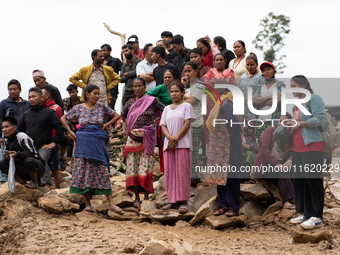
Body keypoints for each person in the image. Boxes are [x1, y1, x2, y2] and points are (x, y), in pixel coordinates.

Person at [60, 84, 124, 214]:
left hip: (97, 142)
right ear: (87, 94)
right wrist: (71, 132)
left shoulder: (102, 107)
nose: (97, 96)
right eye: (95, 93)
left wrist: (106, 124)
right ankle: (88, 205)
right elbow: (63, 118)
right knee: (85, 171)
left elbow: (117, 115)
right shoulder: (78, 108)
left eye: (98, 93)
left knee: (102, 170)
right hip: (83, 143)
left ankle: (111, 204)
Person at [287, 75, 325, 229]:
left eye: (294, 86)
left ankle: (317, 217)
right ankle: (306, 213)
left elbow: (319, 120)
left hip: (312, 147)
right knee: (300, 181)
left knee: (313, 181)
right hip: (297, 148)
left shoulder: (314, 98)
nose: (292, 90)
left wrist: (298, 123)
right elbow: (297, 125)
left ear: (303, 86)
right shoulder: (295, 105)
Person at [121, 78, 165, 210]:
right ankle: (136, 198)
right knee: (133, 168)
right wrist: (125, 128)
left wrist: (156, 120)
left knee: (145, 167)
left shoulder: (152, 100)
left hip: (147, 138)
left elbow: (165, 110)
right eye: (135, 86)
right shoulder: (129, 102)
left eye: (140, 86)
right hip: (132, 139)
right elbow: (123, 116)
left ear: (145, 87)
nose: (137, 88)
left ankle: (146, 197)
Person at [205, 85, 245, 216]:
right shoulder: (227, 103)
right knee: (229, 176)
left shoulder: (223, 102)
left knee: (222, 174)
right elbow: (235, 124)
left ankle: (226, 205)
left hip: (220, 145)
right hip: (227, 145)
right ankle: (232, 206)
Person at [160, 82, 195, 213]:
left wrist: (176, 138)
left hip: (183, 144)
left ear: (182, 92)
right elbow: (163, 125)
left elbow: (187, 124)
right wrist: (169, 138)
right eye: (172, 91)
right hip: (168, 146)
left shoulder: (187, 106)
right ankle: (172, 201)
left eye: (176, 91)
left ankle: (183, 201)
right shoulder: (166, 108)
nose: (173, 93)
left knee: (183, 173)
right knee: (170, 173)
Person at [19, 87, 64, 189]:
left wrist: (54, 143)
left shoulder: (49, 112)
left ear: (41, 97)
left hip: (44, 146)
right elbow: (19, 130)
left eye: (34, 96)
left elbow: (60, 128)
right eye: (29, 97)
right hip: (29, 148)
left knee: (41, 159)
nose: (31, 99)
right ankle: (28, 183)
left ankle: (46, 187)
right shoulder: (26, 114)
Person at [253, 114, 295, 209]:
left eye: (285, 122)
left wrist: (290, 160)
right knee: (283, 173)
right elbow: (264, 150)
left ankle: (295, 198)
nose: (282, 124)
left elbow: (296, 149)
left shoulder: (291, 134)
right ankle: (287, 201)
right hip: (266, 166)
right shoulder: (270, 131)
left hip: (282, 166)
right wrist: (276, 164)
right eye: (280, 121)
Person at [0, 116, 45, 189]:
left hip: (37, 168)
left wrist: (17, 154)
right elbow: (6, 157)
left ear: (14, 128)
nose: (4, 130)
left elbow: (31, 153)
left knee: (28, 161)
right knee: (2, 163)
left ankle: (34, 181)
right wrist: (7, 157)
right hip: (21, 169)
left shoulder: (22, 136)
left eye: (6, 127)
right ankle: (20, 181)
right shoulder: (7, 139)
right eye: (2, 127)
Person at [0, 79, 31, 183]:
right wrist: (0, 136)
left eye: (14, 89)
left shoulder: (27, 103)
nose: (12, 91)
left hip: (23, 135)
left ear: (20, 90)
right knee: (5, 157)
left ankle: (23, 179)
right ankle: (5, 181)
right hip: (8, 136)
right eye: (10, 89)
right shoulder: (4, 103)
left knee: (22, 156)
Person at [203, 53, 236, 144]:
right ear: (214, 62)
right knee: (212, 122)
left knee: (225, 123)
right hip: (211, 102)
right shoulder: (210, 72)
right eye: (217, 60)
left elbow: (229, 85)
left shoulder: (230, 72)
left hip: (226, 101)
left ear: (225, 61)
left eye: (221, 60)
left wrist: (213, 81)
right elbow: (206, 85)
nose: (219, 62)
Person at [182, 61, 205, 184]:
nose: (187, 73)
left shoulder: (200, 85)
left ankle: (194, 179)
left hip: (195, 122)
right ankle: (186, 178)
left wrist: (179, 101)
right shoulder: (186, 87)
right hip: (184, 122)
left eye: (189, 70)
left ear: (196, 71)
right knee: (185, 151)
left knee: (194, 152)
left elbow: (192, 100)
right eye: (185, 71)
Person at [41, 85, 63, 189]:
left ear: (47, 96)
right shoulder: (42, 108)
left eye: (42, 94)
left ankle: (59, 190)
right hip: (43, 142)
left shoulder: (55, 108)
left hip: (52, 141)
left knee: (54, 168)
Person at [237, 53, 265, 120]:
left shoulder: (261, 76)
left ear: (257, 65)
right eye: (247, 65)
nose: (249, 67)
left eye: (252, 65)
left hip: (256, 110)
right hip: (243, 110)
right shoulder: (243, 76)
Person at [101, 43, 123, 110]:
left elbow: (123, 69)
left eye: (104, 50)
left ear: (109, 51)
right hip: (101, 90)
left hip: (112, 90)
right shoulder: (100, 62)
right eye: (102, 51)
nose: (103, 52)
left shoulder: (116, 61)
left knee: (110, 108)